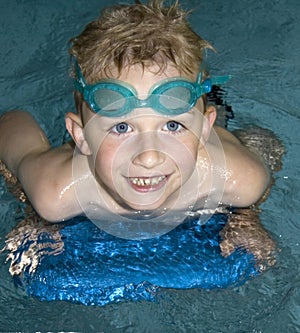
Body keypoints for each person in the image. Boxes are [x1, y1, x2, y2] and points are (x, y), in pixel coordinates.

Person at [0, 0, 280, 256]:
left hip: (215, 141)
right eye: (122, 128)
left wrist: (246, 219)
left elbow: (259, 181)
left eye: (172, 125)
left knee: (265, 144)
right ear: (80, 136)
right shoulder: (58, 192)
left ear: (204, 130)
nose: (149, 157)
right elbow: (12, 124)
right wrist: (33, 212)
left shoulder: (236, 179)